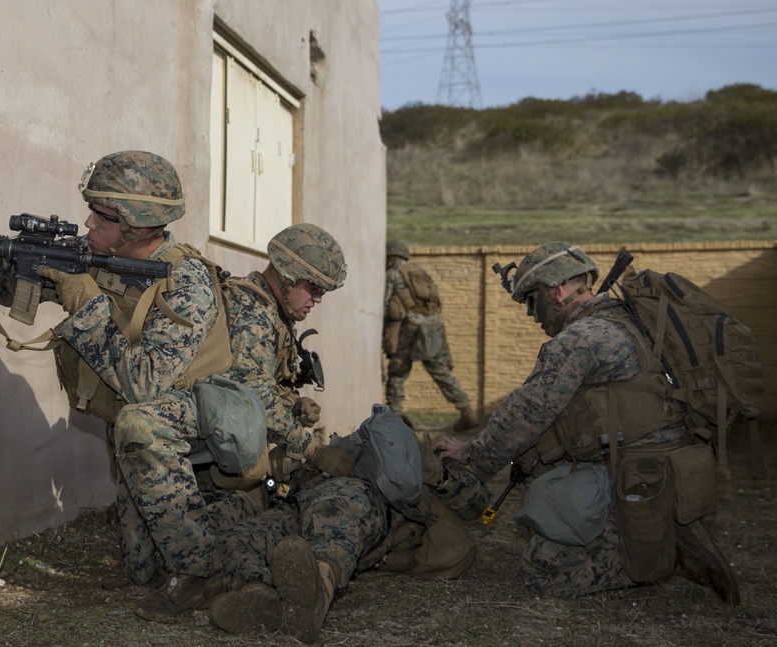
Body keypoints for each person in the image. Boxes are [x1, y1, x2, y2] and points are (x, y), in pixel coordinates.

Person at [0, 151, 246, 599]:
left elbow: (147, 384)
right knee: (142, 571)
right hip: (142, 429)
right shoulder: (93, 256)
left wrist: (86, 306)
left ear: (138, 225)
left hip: (198, 417)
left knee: (138, 425)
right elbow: (3, 277)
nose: (88, 223)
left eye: (101, 215)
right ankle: (202, 538)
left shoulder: (185, 283)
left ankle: (212, 570)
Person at [434, 242, 740, 603]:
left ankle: (666, 555)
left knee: (541, 570)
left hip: (638, 478)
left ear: (558, 290)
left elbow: (524, 415)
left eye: (533, 301)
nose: (533, 315)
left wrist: (471, 457)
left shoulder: (580, 339)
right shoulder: (626, 321)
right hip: (667, 469)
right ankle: (660, 535)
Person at [134, 223, 358, 619]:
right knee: (150, 563)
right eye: (314, 288)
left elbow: (256, 385)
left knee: (146, 565)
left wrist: (291, 404)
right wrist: (314, 450)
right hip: (191, 443)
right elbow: (251, 392)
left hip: (197, 443)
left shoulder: (267, 308)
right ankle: (205, 573)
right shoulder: (254, 311)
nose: (318, 300)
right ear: (287, 276)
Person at [204, 434, 478, 643]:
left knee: (335, 508)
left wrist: (438, 475)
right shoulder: (357, 446)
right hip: (300, 503)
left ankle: (315, 600)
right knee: (238, 538)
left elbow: (475, 504)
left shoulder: (430, 478)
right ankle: (259, 594)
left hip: (361, 501)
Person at [383, 240, 478, 430]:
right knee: (440, 371)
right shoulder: (419, 271)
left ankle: (396, 415)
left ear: (392, 257)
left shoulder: (393, 274)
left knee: (398, 370)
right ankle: (467, 411)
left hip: (410, 328)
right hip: (434, 326)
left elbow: (385, 304)